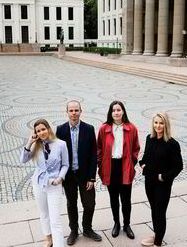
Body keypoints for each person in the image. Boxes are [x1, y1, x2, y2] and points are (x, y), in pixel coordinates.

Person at [56, 100, 102, 245]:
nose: (74, 113)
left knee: (89, 204)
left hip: (85, 175)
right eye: (71, 110)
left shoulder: (89, 129)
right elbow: (57, 154)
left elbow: (93, 155)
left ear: (81, 111)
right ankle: (74, 230)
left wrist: (91, 178)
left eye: (76, 110)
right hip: (69, 175)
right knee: (71, 203)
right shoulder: (61, 130)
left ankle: (87, 228)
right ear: (67, 112)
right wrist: (60, 175)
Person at [20, 119, 69, 247]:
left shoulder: (61, 144)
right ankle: (49, 239)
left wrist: (60, 178)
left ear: (48, 128)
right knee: (44, 214)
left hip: (54, 185)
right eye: (38, 131)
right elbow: (23, 160)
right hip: (39, 184)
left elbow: (65, 164)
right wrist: (29, 142)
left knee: (55, 219)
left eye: (43, 129)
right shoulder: (36, 145)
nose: (41, 132)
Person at [97, 100, 140, 239]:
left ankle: (127, 225)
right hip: (110, 167)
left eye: (118, 110)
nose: (116, 112)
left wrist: (132, 162)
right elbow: (98, 148)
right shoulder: (104, 129)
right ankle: (116, 223)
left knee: (126, 200)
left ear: (123, 111)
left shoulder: (131, 128)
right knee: (114, 198)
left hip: (125, 166)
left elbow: (136, 148)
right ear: (110, 113)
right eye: (113, 110)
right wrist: (101, 163)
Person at [139, 113, 183, 247]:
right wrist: (142, 164)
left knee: (160, 212)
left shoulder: (172, 144)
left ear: (166, 125)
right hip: (149, 181)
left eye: (161, 123)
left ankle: (158, 243)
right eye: (156, 123)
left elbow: (178, 167)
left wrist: (163, 177)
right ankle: (157, 234)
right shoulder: (150, 138)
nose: (158, 126)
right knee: (154, 210)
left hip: (162, 184)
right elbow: (146, 156)